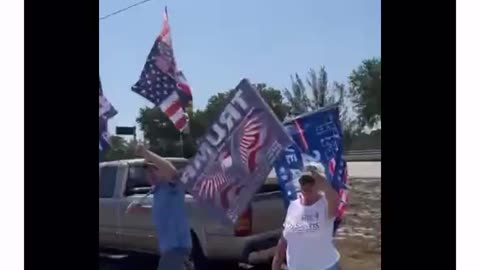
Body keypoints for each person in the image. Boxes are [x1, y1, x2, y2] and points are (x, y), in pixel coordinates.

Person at [272, 165, 341, 270]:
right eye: (304, 181)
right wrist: (277, 262)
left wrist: (323, 183)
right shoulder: (293, 205)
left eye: (311, 182)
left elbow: (334, 198)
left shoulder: (326, 205)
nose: (307, 185)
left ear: (321, 184)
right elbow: (284, 238)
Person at [135, 144, 192, 270]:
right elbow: (163, 211)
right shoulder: (158, 191)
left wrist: (147, 153)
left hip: (176, 247)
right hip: (170, 249)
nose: (150, 174)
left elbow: (171, 171)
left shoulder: (172, 185)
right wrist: (141, 209)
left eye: (154, 170)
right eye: (147, 171)